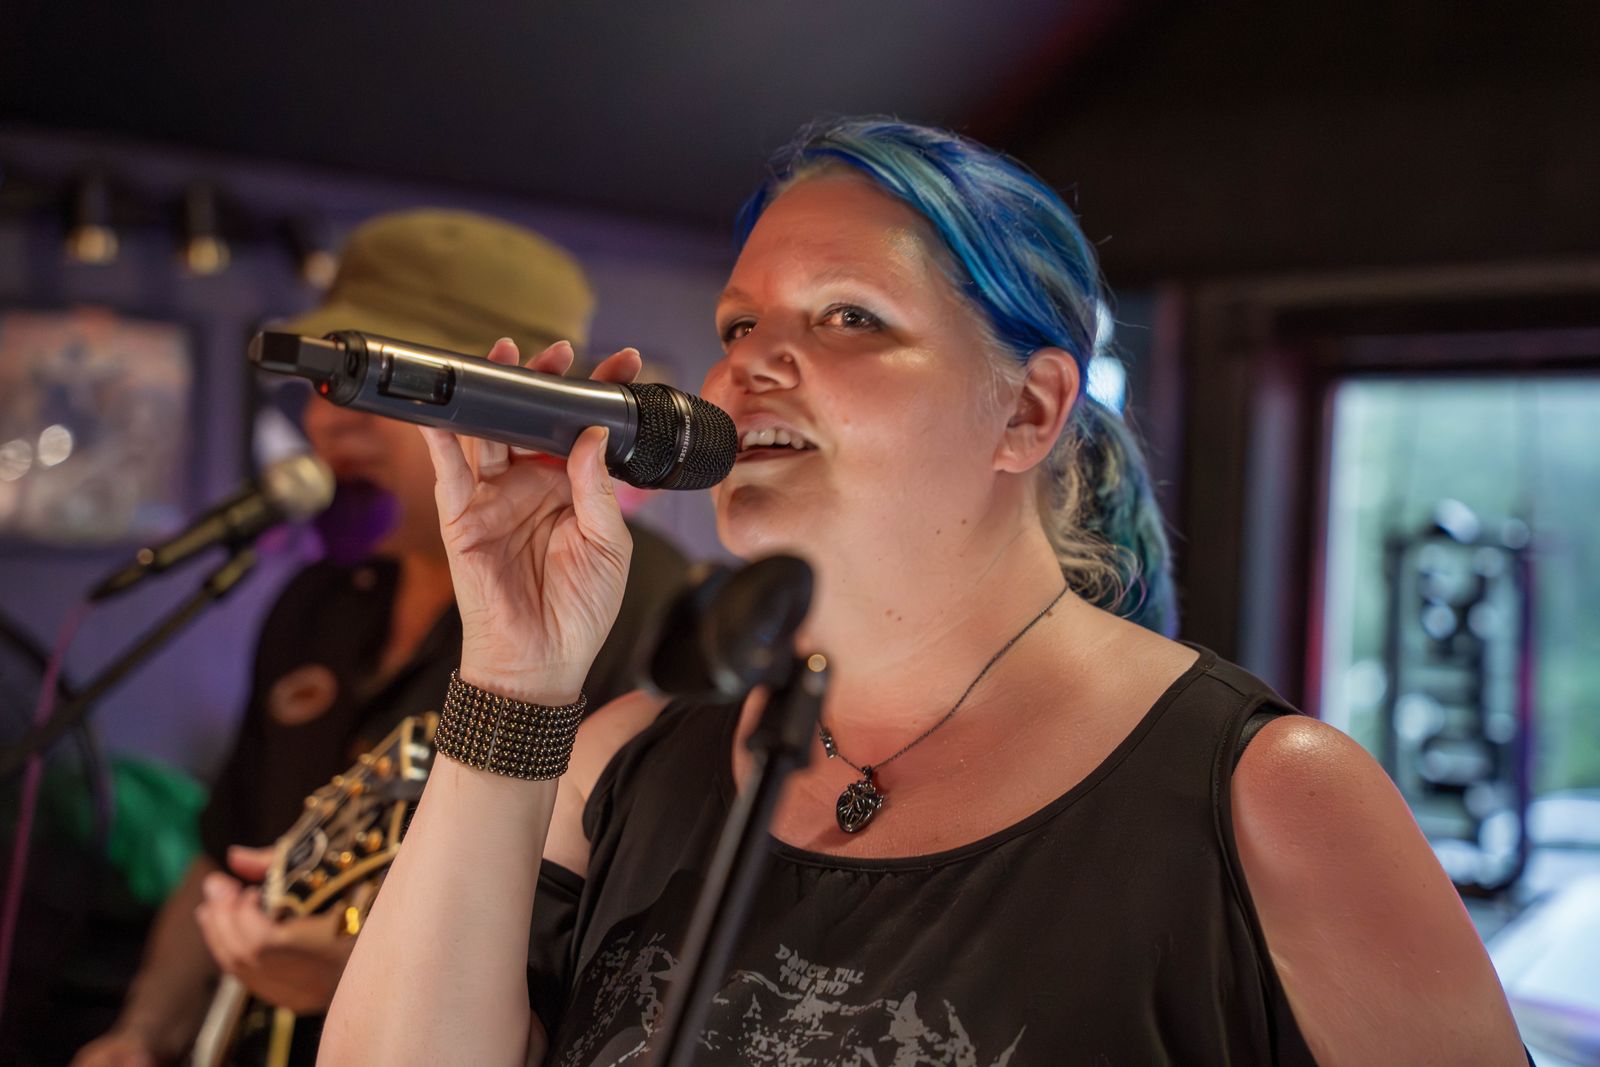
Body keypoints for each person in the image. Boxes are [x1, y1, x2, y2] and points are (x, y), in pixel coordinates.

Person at [321, 121, 1527, 1066]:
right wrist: (515, 670)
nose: (749, 365)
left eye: (849, 317)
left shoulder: (1273, 798)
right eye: (737, 324)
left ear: (1028, 410)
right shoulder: (619, 764)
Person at [71, 210, 691, 1067]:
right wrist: (142, 1032)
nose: (329, 422)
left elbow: (633, 952)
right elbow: (222, 858)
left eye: (377, 385)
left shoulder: (643, 602)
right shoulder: (316, 600)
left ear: (518, 406)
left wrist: (375, 976)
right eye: (327, 383)